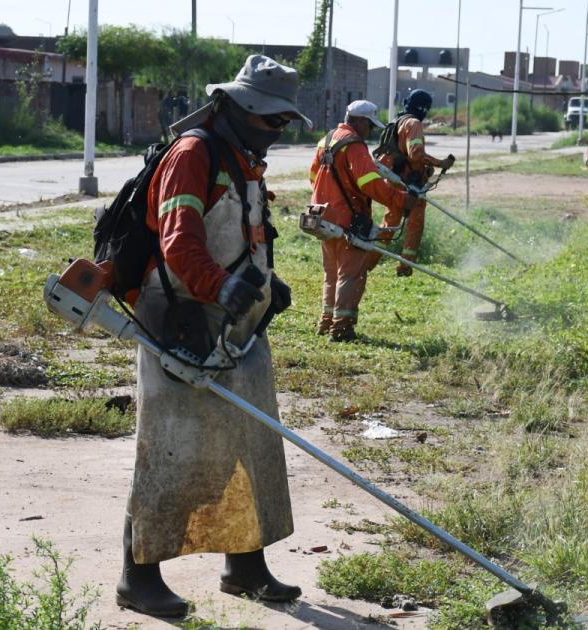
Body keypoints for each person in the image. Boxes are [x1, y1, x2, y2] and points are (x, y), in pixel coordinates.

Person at [119, 55, 306, 618]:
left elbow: (247, 233)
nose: (277, 130)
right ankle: (137, 578)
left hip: (235, 323)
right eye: (271, 119)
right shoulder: (193, 155)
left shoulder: (244, 159)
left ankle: (245, 567)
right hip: (181, 321)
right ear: (237, 107)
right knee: (168, 449)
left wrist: (267, 282)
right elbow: (179, 243)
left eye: (284, 121)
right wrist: (219, 286)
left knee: (249, 441)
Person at [309, 100, 421, 342]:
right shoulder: (354, 145)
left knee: (332, 273)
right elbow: (369, 183)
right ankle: (342, 328)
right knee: (352, 274)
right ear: (359, 121)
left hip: (321, 216)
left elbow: (313, 176)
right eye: (369, 125)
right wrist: (401, 200)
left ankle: (326, 321)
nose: (370, 131)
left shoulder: (326, 140)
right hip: (348, 220)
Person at [375, 89, 456, 276]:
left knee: (389, 225)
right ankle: (405, 267)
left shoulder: (398, 121)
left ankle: (367, 262)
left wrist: (425, 169)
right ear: (425, 108)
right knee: (414, 227)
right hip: (411, 187)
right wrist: (440, 163)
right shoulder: (414, 123)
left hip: (395, 182)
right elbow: (416, 154)